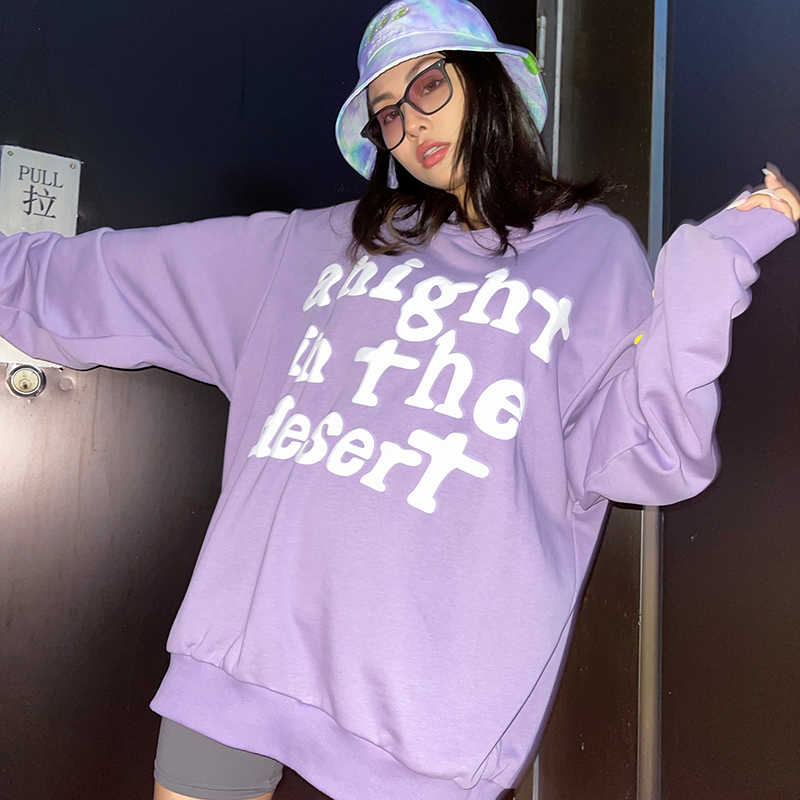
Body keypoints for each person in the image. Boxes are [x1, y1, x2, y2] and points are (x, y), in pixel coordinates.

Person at [0, 1, 797, 799]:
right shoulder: (321, 245)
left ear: (490, 83)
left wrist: (709, 270)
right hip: (243, 660)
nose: (410, 122)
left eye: (428, 85)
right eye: (386, 112)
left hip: (424, 708)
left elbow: (648, 450)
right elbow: (105, 280)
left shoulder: (591, 252)